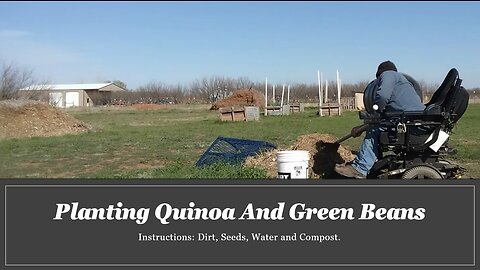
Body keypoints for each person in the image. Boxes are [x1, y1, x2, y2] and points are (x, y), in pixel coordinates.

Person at [334, 61, 425, 179]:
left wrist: (376, 112)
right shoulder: (402, 81)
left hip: (409, 122)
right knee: (377, 126)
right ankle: (372, 162)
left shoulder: (388, 75)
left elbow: (382, 95)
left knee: (374, 130)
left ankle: (360, 168)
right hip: (413, 119)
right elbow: (394, 106)